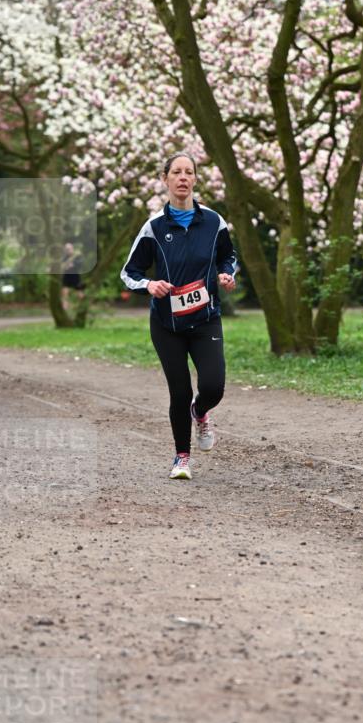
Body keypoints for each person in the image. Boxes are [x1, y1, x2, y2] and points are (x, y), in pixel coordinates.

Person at [120, 152, 237, 481]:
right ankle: (182, 458)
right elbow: (130, 273)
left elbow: (228, 255)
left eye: (189, 172)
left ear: (196, 180)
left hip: (205, 319)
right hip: (167, 325)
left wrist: (227, 274)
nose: (183, 177)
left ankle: (200, 413)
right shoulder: (154, 227)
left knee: (213, 387)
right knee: (180, 391)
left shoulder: (214, 222)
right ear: (165, 179)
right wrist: (149, 284)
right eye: (176, 172)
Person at [61, 242, 84, 310]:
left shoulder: (77, 256)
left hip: (75, 276)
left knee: (79, 293)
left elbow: (80, 264)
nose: (67, 250)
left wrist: (73, 265)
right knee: (64, 292)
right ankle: (65, 307)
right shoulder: (64, 257)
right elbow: (62, 265)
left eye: (69, 249)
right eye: (66, 249)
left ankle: (83, 306)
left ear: (72, 248)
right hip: (66, 276)